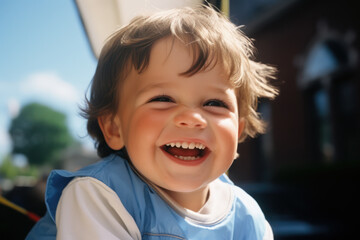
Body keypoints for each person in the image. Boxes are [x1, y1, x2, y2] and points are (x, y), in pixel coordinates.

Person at [26, 5, 278, 240]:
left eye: (215, 103)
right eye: (162, 99)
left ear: (238, 130)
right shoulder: (98, 195)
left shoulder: (248, 217)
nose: (192, 118)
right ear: (114, 128)